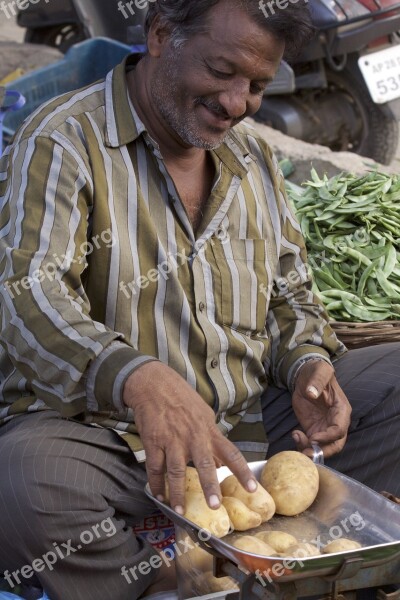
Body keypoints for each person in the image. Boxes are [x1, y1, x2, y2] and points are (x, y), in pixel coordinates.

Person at [0, 0, 399, 598]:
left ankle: (268, 547)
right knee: (27, 482)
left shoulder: (254, 161)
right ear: (160, 33)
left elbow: (292, 296)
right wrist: (139, 379)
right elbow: (29, 297)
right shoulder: (63, 141)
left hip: (251, 432)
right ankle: (172, 577)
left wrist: (308, 366)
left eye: (258, 85)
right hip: (112, 443)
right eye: (222, 71)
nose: (237, 103)